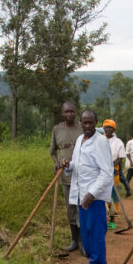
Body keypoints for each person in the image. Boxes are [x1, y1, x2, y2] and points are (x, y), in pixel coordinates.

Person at [61, 109, 113, 264]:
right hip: (80, 193)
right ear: (81, 123)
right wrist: (68, 165)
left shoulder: (101, 142)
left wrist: (92, 194)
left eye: (91, 122)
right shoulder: (80, 139)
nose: (88, 125)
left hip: (94, 196)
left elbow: (106, 172)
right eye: (85, 122)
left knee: (96, 229)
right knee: (86, 230)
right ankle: (93, 260)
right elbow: (77, 164)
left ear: (96, 122)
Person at [50, 101, 83, 251]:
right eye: (66, 112)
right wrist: (57, 163)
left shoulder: (83, 127)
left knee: (82, 206)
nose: (69, 114)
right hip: (65, 176)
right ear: (62, 113)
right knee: (70, 207)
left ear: (76, 112)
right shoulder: (57, 129)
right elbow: (53, 152)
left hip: (83, 175)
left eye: (72, 111)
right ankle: (74, 240)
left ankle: (83, 242)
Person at [103, 119, 128, 229]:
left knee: (113, 195)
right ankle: (103, 218)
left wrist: (111, 165)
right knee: (101, 195)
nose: (108, 129)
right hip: (100, 171)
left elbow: (120, 158)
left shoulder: (118, 142)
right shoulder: (99, 139)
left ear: (114, 129)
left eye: (110, 128)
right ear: (104, 128)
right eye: (106, 127)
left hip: (114, 171)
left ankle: (112, 220)